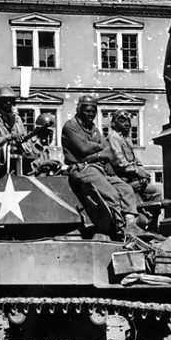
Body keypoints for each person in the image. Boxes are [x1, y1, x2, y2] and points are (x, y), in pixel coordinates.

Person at [62, 95, 140, 239]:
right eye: (87, 111)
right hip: (81, 168)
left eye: (93, 111)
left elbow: (108, 149)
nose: (91, 114)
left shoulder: (93, 128)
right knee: (111, 194)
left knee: (126, 189)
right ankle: (117, 229)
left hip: (97, 166)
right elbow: (83, 148)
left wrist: (104, 157)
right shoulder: (70, 126)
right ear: (79, 109)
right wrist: (101, 153)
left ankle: (131, 226)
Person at [106, 110, 162, 230]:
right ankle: (136, 223)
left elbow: (136, 160)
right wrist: (137, 172)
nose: (127, 124)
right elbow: (120, 162)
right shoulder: (114, 137)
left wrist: (142, 171)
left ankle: (153, 227)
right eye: (122, 121)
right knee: (140, 210)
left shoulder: (126, 139)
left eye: (128, 121)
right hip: (122, 180)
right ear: (114, 124)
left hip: (133, 178)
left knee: (156, 193)